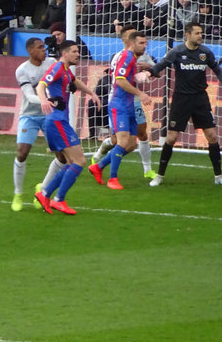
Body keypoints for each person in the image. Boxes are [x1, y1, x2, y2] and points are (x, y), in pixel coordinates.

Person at [139, 22, 222, 187]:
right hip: (181, 100)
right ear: (188, 35)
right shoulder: (177, 52)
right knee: (172, 137)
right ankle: (159, 175)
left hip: (201, 100)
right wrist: (148, 72)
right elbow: (162, 64)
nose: (200, 36)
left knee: (212, 136)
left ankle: (218, 176)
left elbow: (217, 68)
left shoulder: (205, 52)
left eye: (201, 33)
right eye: (197, 33)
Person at [34, 40, 101, 215]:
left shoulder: (65, 71)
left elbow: (75, 81)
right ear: (64, 54)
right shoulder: (57, 68)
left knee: (71, 162)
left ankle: (45, 194)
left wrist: (92, 93)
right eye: (74, 51)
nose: (78, 54)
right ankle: (58, 199)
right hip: (56, 121)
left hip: (58, 121)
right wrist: (43, 99)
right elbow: (41, 85)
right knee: (79, 161)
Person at [88, 31, 152, 190]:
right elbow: (120, 81)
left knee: (130, 145)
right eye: (141, 43)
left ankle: (98, 166)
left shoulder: (133, 58)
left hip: (128, 104)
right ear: (132, 43)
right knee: (122, 142)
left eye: (146, 43)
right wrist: (140, 93)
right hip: (119, 105)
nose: (145, 46)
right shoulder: (127, 57)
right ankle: (112, 179)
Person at [11, 37, 66, 211]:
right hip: (30, 115)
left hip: (50, 115)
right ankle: (18, 194)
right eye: (40, 47)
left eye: (44, 47)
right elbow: (29, 96)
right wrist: (48, 100)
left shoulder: (51, 63)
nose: (44, 50)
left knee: (62, 157)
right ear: (30, 51)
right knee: (22, 152)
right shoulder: (22, 70)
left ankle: (43, 190)